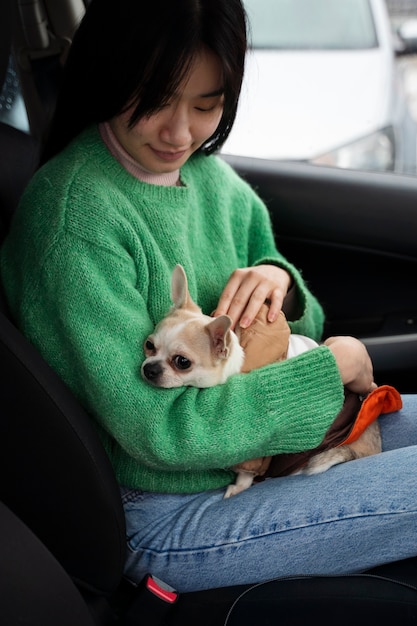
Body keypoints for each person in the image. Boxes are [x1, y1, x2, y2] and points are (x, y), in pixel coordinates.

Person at [1, 0, 416, 594]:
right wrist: (331, 373)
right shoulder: (76, 220)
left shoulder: (213, 181)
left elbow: (305, 325)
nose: (180, 133)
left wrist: (277, 283)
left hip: (271, 452)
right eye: (152, 100)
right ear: (107, 75)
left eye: (206, 104)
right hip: (169, 510)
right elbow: (158, 431)